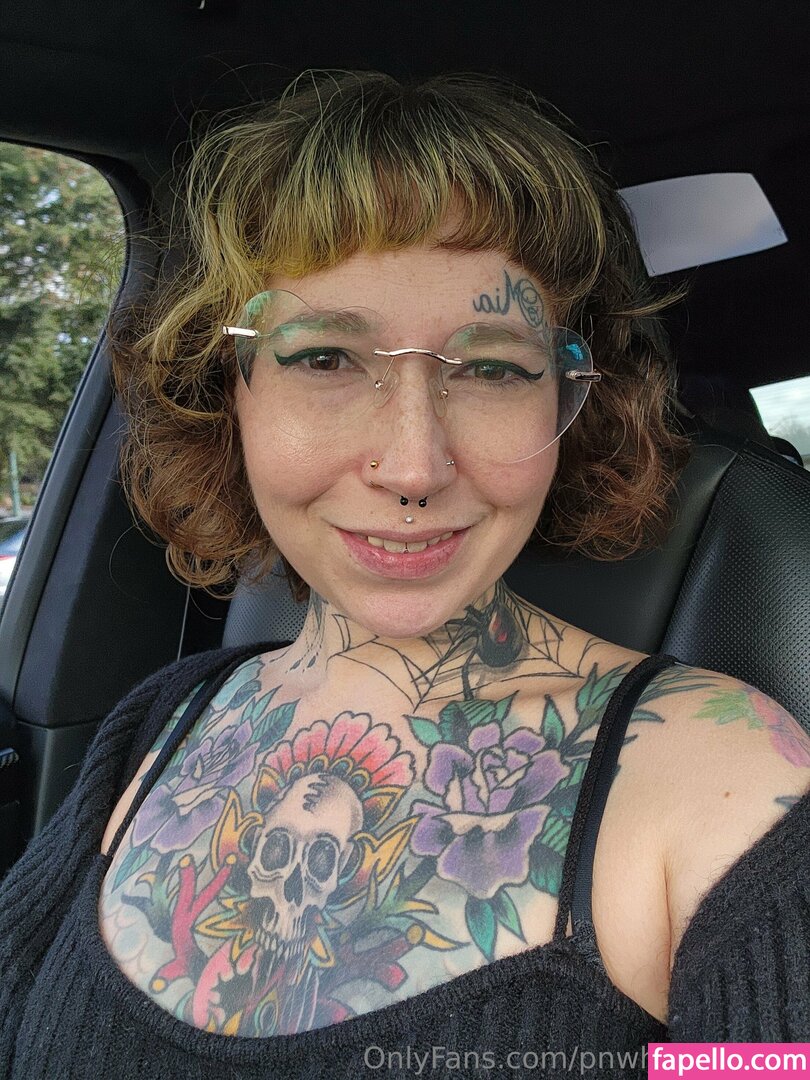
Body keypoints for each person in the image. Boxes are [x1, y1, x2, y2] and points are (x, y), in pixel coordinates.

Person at [1, 70, 808, 1080]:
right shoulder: (156, 726)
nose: (415, 467)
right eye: (326, 359)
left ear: (568, 402)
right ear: (226, 390)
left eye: (493, 368)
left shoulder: (725, 787)